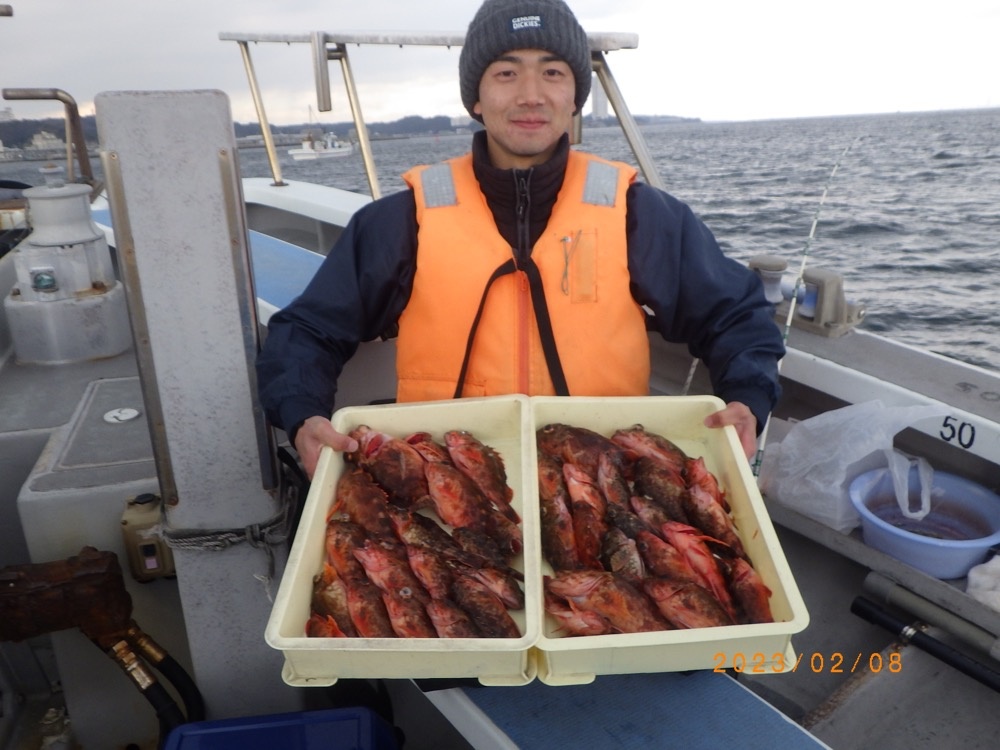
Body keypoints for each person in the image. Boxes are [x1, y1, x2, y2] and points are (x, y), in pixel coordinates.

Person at [256, 0, 785, 479]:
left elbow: (733, 314)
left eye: (552, 72)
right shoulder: (402, 221)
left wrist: (746, 398)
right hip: (442, 484)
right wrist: (304, 415)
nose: (531, 94)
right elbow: (309, 329)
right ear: (476, 98)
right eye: (506, 73)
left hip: (608, 481)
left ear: (575, 96)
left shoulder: (639, 214)